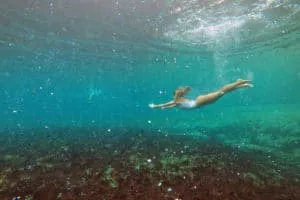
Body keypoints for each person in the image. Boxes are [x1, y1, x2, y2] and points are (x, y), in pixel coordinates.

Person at [149, 79, 253, 110]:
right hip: (200, 102)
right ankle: (240, 85)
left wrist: (155, 106)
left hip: (200, 102)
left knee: (222, 92)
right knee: (222, 93)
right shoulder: (177, 102)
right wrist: (166, 107)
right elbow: (169, 105)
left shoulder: (176, 101)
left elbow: (164, 105)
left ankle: (238, 82)